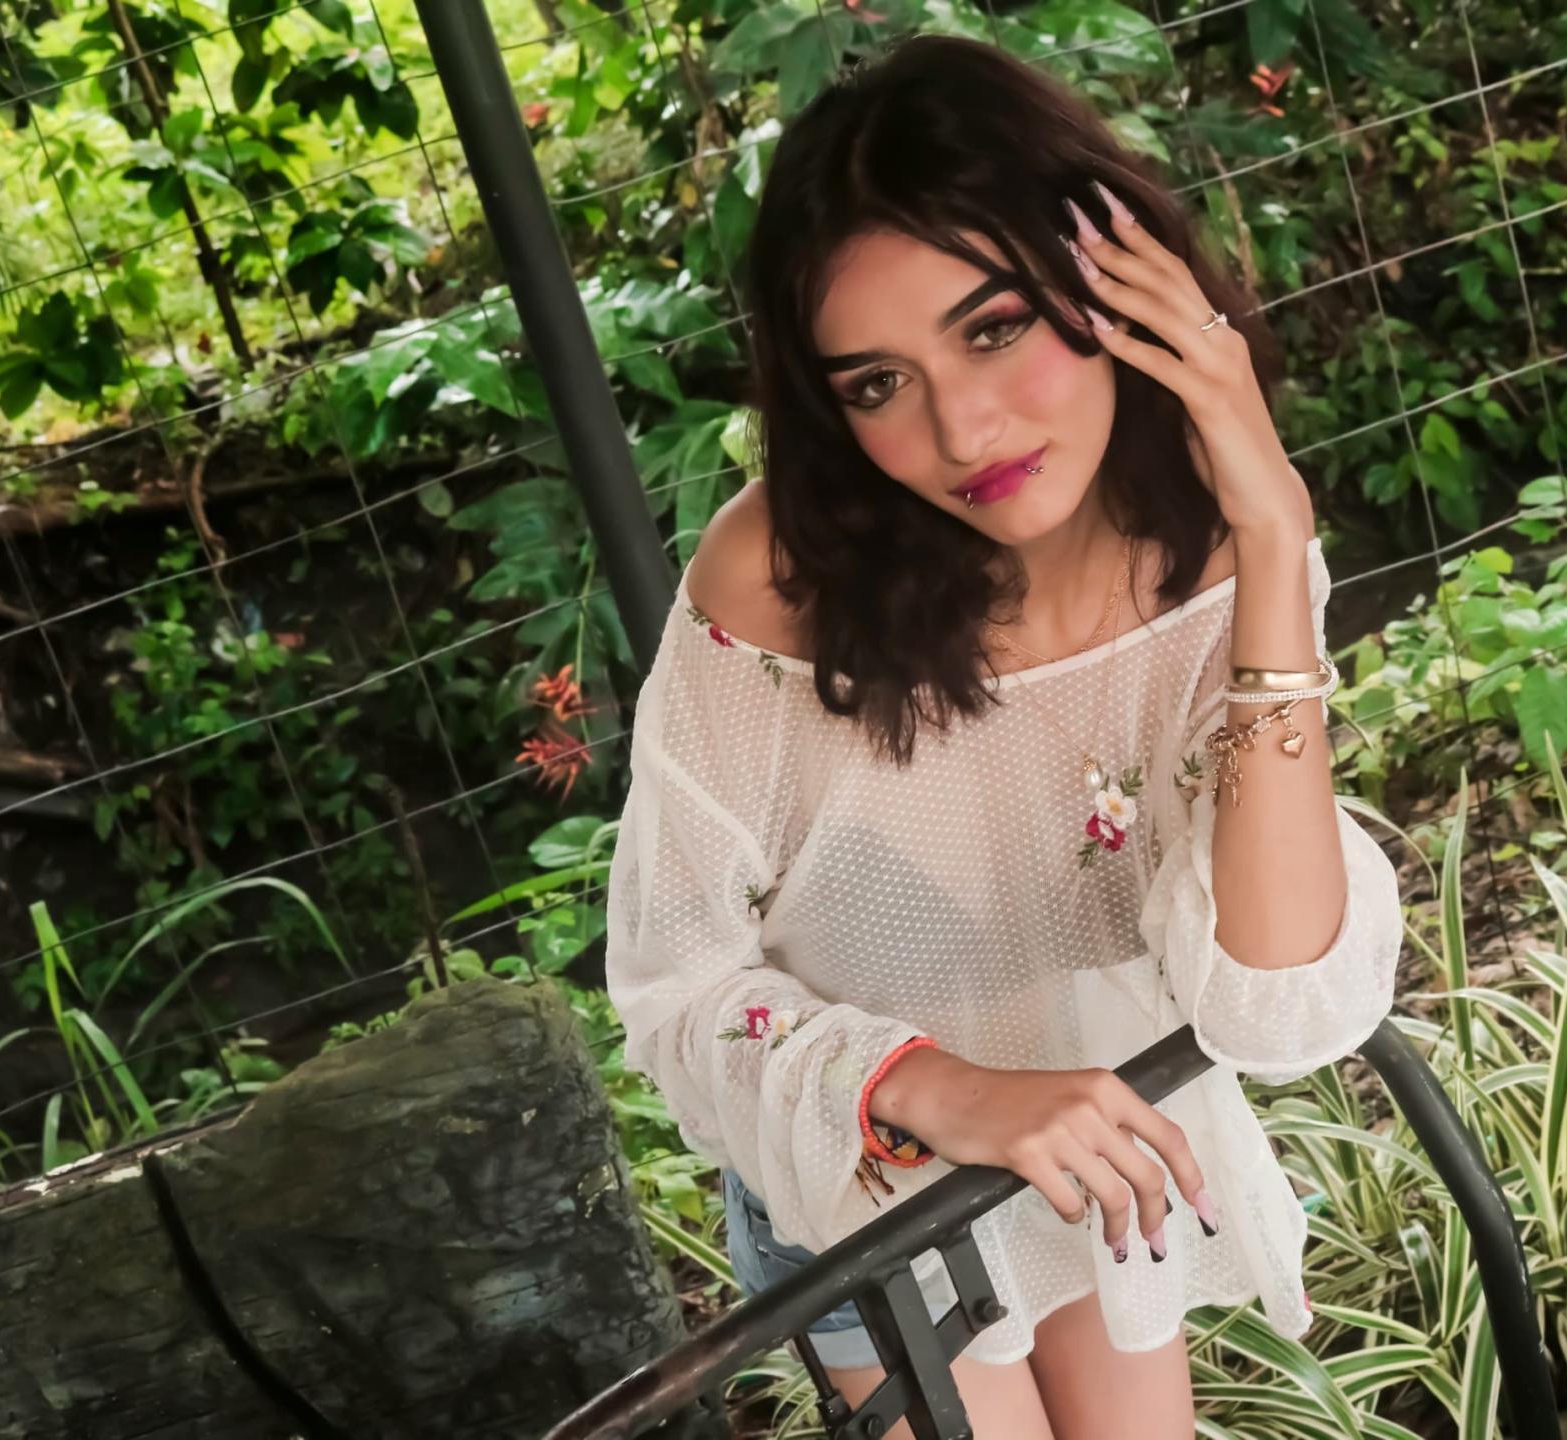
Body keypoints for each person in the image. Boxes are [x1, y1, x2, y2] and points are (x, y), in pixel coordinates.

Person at [601, 33, 1403, 1439]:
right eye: (875, 383)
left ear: (1125, 289)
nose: (964, 428)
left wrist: (1276, 537)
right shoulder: (778, 580)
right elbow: (677, 979)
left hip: (1096, 1137)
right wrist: (949, 1092)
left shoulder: (1225, 542)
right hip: (865, 1166)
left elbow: (1276, 994)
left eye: (994, 328)